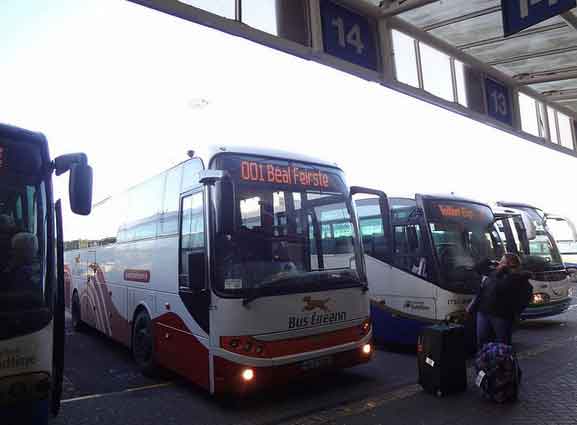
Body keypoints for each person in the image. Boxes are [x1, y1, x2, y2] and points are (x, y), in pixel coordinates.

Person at [475, 253, 533, 347]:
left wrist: (515, 312)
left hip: (501, 315)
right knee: (482, 340)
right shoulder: (495, 273)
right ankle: (485, 360)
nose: (499, 263)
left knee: (503, 344)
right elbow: (478, 268)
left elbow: (524, 298)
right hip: (484, 311)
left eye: (502, 261)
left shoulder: (517, 278)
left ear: (509, 264)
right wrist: (490, 261)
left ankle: (503, 361)